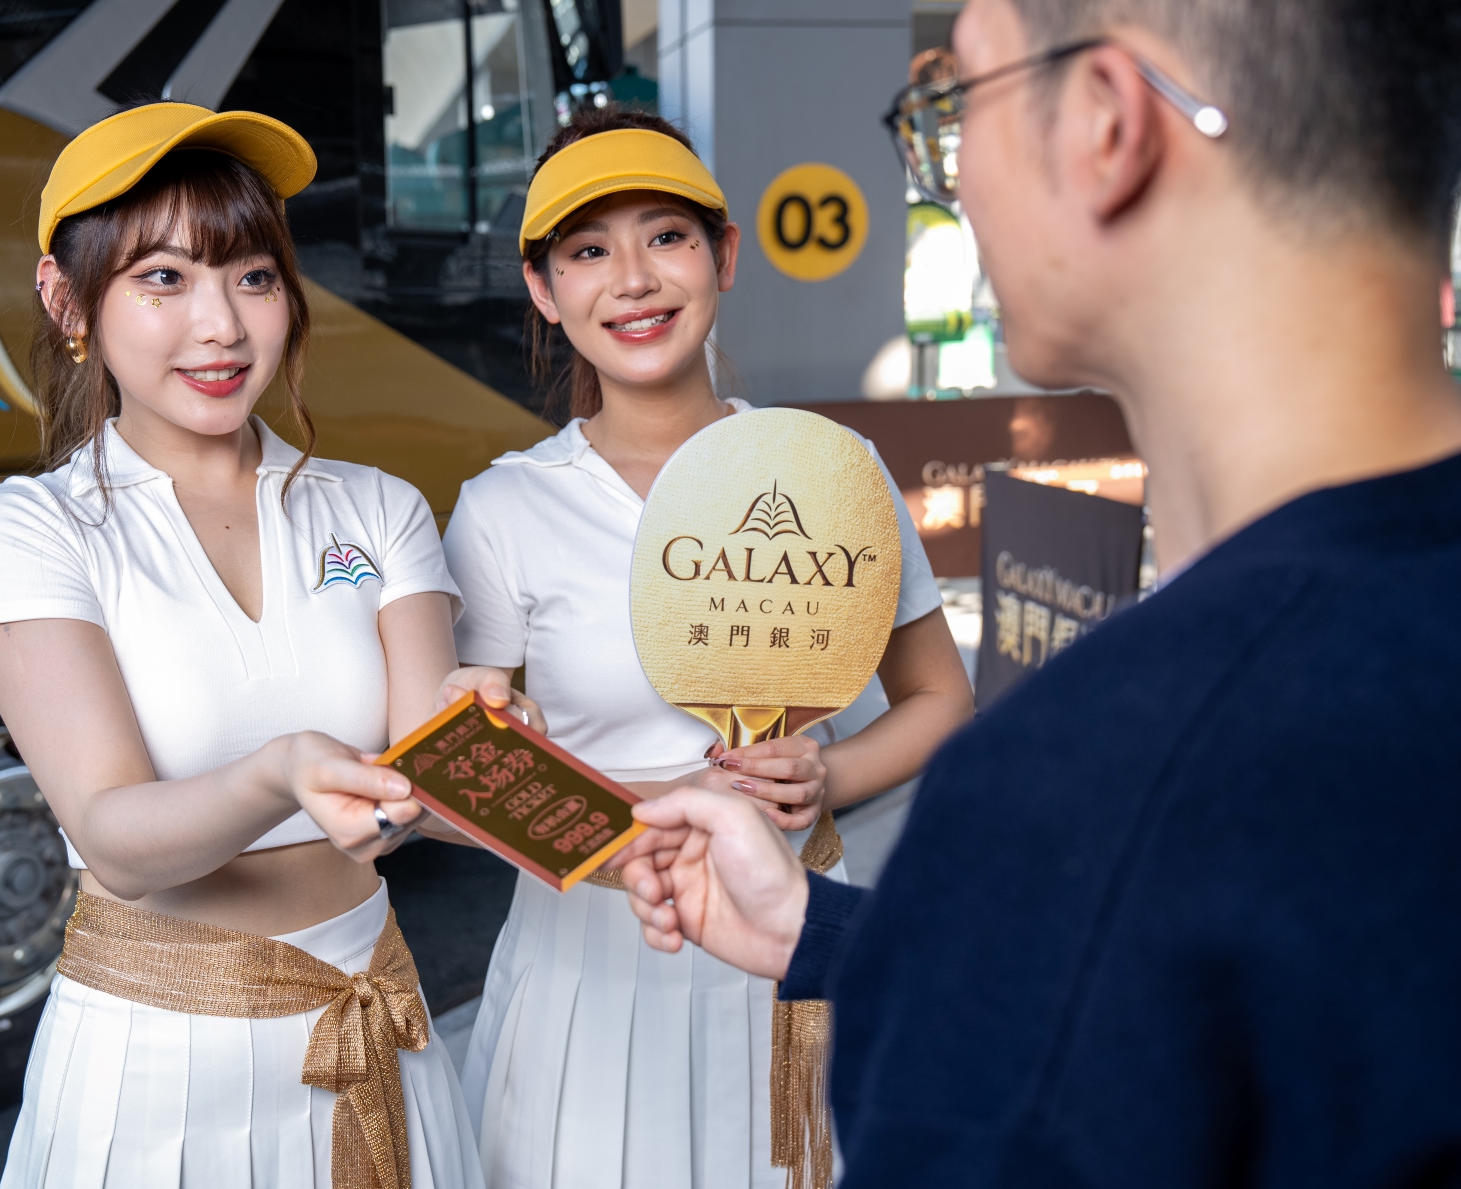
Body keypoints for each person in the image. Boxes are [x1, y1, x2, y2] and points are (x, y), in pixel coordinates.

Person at [616, 0, 1461, 1185]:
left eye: (958, 102)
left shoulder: (1081, 786)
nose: (950, 174)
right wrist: (837, 932)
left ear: (1106, 127)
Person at [0, 103, 482, 1189]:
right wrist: (278, 771)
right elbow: (116, 838)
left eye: (253, 276)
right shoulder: (37, 527)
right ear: (68, 300)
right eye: (164, 279)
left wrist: (494, 741)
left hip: (374, 1007)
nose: (222, 325)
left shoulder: (377, 508)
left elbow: (433, 780)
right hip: (152, 1060)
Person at [436, 108, 976, 1189]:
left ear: (723, 255)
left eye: (666, 236)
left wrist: (825, 776)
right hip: (586, 970)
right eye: (589, 251)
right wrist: (648, 796)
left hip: (787, 949)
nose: (633, 279)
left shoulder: (831, 470)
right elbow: (461, 780)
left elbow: (938, 698)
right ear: (543, 289)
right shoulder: (503, 508)